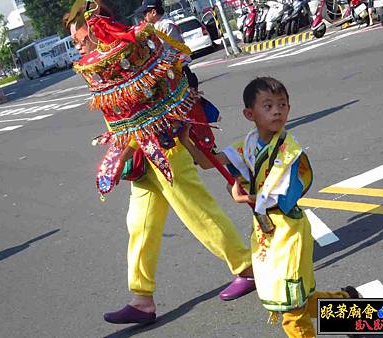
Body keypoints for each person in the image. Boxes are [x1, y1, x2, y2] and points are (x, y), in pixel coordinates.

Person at [66, 0, 255, 325]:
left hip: (165, 148)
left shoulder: (136, 48)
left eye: (78, 34)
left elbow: (167, 89)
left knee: (198, 213)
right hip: (140, 156)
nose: (76, 42)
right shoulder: (104, 63)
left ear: (94, 23)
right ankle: (142, 299)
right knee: (138, 224)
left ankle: (248, 268)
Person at [179, 76, 360, 337]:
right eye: (268, 105)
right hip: (266, 233)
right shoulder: (249, 145)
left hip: (287, 231)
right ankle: (356, 306)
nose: (277, 110)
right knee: (302, 301)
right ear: (249, 113)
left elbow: (280, 196)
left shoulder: (290, 151)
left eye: (282, 104)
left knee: (291, 310)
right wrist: (187, 141)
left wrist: (245, 197)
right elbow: (211, 162)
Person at [135, 0, 199, 90]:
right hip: (170, 71)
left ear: (153, 12)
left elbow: (162, 48)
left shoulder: (167, 25)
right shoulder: (155, 26)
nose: (144, 17)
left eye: (145, 13)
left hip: (179, 70)